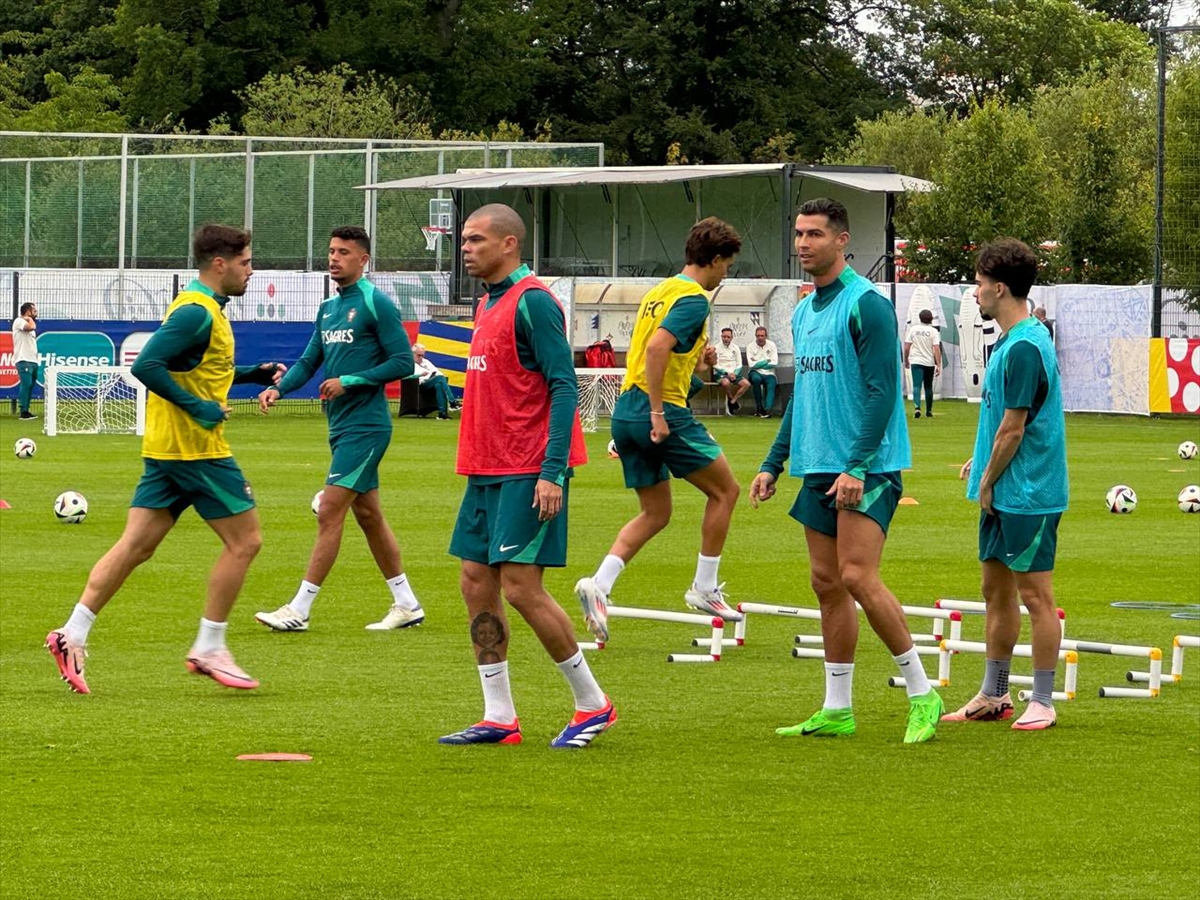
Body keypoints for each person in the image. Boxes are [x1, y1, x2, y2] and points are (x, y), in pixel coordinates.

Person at [45, 224, 284, 694]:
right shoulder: (196, 312)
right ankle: (209, 646)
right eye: (246, 262)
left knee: (135, 546)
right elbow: (146, 364)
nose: (251, 271)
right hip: (196, 450)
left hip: (165, 449)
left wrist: (248, 375)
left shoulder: (201, 306)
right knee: (246, 541)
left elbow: (193, 368)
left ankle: (72, 633)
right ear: (220, 264)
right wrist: (198, 409)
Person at [749, 198, 943, 744]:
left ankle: (922, 693)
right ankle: (837, 708)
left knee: (857, 576)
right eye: (798, 234)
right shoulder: (803, 310)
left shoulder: (867, 306)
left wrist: (858, 464)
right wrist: (773, 462)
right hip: (818, 464)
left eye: (814, 234)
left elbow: (884, 392)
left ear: (842, 240)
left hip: (867, 466)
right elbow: (803, 396)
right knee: (827, 584)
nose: (802, 243)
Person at [441, 203, 615, 749]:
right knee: (475, 581)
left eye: (475, 239)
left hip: (528, 467)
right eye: (463, 240)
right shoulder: (487, 302)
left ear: (509, 243)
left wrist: (552, 471)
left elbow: (564, 385)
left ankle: (593, 703)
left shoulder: (533, 301)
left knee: (520, 587)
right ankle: (499, 716)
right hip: (484, 468)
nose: (466, 248)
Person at [574, 217, 744, 645]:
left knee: (656, 513)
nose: (726, 274)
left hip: (626, 410)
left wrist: (700, 365)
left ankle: (599, 585)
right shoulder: (694, 299)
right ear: (715, 259)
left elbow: (662, 356)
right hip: (659, 410)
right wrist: (657, 413)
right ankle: (705, 588)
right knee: (726, 491)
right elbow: (655, 349)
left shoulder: (659, 292)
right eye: (727, 265)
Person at [256, 226, 425, 633]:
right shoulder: (328, 308)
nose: (334, 258)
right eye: (331, 251)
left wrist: (350, 381)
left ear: (363, 260)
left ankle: (299, 609)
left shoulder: (375, 303)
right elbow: (309, 361)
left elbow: (403, 362)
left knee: (330, 510)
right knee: (368, 515)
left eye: (344, 252)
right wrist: (279, 389)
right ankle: (407, 604)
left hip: (367, 426)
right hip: (341, 425)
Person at [946, 239, 1068, 731]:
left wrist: (987, 479)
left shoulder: (1024, 347)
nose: (974, 291)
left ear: (999, 288)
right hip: (1005, 487)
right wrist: (981, 460)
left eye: (978, 283)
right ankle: (994, 694)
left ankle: (1042, 700)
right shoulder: (1010, 340)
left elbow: (1015, 430)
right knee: (994, 591)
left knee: (1036, 596)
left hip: (1029, 492)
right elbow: (1005, 420)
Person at [903, 309, 942, 419]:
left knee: (916, 385)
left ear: (920, 318)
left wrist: (906, 360)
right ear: (931, 319)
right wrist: (938, 364)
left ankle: (917, 407)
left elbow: (906, 347)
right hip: (929, 362)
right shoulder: (933, 331)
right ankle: (929, 411)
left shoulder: (913, 329)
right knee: (928, 386)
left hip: (916, 360)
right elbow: (936, 348)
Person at [412, 342, 459, 419]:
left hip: (431, 382)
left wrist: (433, 376)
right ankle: (452, 402)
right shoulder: (409, 364)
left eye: (422, 355)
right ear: (413, 354)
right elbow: (405, 376)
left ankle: (442, 414)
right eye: (418, 355)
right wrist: (419, 375)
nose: (421, 357)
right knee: (440, 378)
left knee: (439, 384)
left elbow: (439, 373)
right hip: (419, 384)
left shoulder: (426, 362)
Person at [11, 302, 39, 419]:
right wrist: (29, 319)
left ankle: (27, 410)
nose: (36, 313)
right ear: (28, 311)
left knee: (30, 385)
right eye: (34, 310)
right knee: (26, 384)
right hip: (23, 359)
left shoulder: (28, 322)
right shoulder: (19, 321)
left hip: (33, 360)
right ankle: (23, 411)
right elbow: (31, 327)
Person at [714, 327, 749, 414]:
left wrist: (734, 373)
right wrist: (727, 373)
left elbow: (739, 363)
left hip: (734, 374)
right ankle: (730, 398)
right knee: (725, 383)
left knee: (746, 384)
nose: (726, 339)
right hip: (721, 373)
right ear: (721, 337)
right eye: (724, 337)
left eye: (728, 337)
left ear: (732, 337)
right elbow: (715, 365)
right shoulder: (716, 348)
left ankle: (732, 402)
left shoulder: (735, 348)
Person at [746, 326, 779, 417]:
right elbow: (751, 365)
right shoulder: (750, 346)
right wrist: (766, 361)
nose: (760, 338)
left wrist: (758, 364)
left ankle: (767, 410)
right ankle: (759, 407)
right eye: (758, 336)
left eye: (762, 335)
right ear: (755, 336)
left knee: (772, 383)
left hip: (769, 372)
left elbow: (774, 362)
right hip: (754, 372)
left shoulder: (772, 345)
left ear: (766, 336)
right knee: (756, 379)